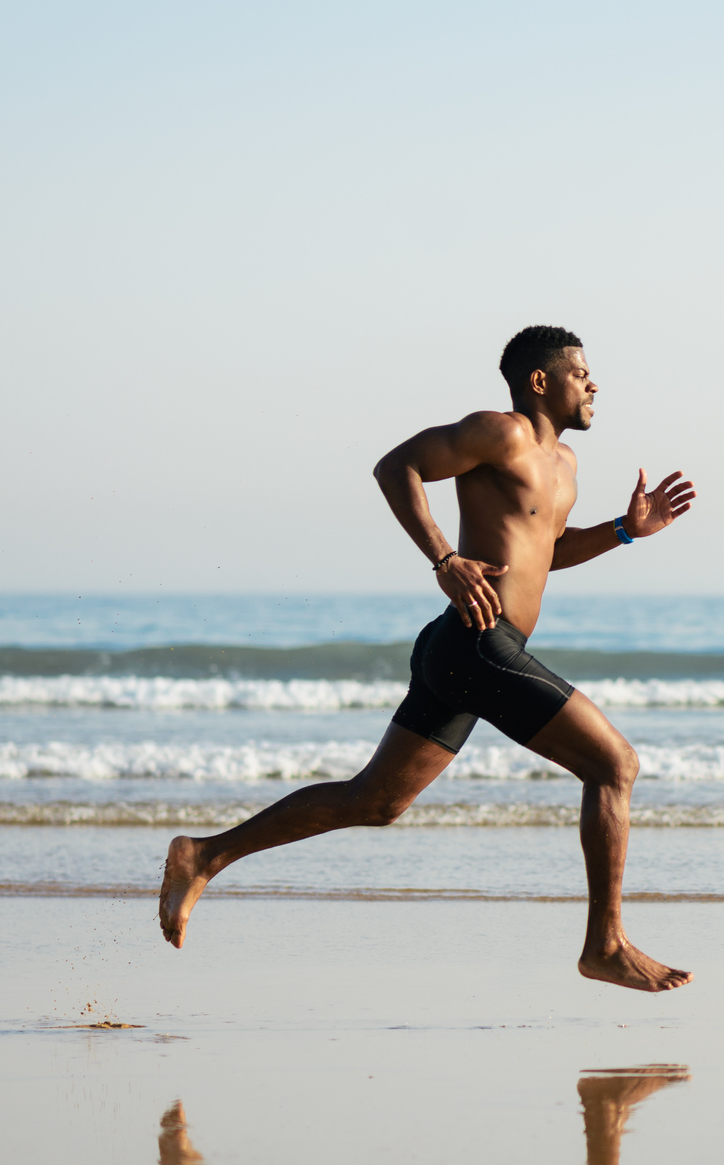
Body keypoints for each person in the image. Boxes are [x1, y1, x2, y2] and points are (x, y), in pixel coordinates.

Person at [156, 325, 696, 992]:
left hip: (469, 649)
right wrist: (443, 558)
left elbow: (546, 552)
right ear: (540, 381)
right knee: (614, 765)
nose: (594, 385)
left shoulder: (564, 465)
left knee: (376, 801)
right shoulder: (500, 432)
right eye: (580, 374)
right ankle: (604, 945)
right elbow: (396, 467)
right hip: (478, 642)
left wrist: (622, 531)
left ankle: (203, 855)